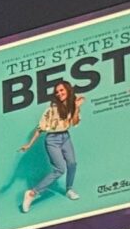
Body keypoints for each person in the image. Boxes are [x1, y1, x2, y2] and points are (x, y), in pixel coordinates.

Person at [17, 78, 83, 214]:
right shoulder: (51, 109)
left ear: (68, 90)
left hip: (65, 136)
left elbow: (74, 122)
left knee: (72, 163)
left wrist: (77, 107)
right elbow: (40, 128)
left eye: (61, 90)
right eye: (57, 92)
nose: (59, 93)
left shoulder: (72, 106)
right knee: (59, 169)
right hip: (52, 139)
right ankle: (32, 193)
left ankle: (69, 189)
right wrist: (29, 145)